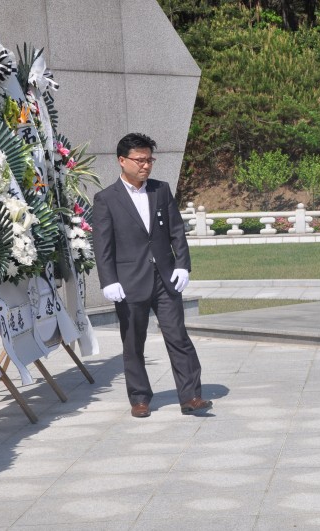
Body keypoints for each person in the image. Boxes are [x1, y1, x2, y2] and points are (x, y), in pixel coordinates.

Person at [92, 133, 212, 418]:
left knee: (178, 336)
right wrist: (109, 281)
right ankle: (140, 398)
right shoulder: (106, 199)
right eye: (140, 160)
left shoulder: (161, 190)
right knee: (134, 342)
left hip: (165, 279)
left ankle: (191, 396)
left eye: (149, 160)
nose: (146, 165)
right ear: (122, 161)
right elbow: (102, 245)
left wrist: (182, 265)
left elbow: (176, 231)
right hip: (129, 281)